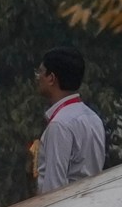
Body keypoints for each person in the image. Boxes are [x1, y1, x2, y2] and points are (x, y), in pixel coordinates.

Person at [31, 46, 107, 195]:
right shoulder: (93, 117)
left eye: (40, 72)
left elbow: (53, 189)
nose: (37, 77)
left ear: (51, 78)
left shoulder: (59, 125)